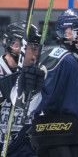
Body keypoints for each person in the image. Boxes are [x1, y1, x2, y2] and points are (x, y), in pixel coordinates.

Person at [27, 8, 78, 157]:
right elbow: (37, 102)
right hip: (64, 144)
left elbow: (73, 102)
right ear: (69, 33)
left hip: (77, 142)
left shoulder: (74, 62)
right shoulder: (62, 58)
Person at [0, 21, 42, 156]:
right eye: (30, 47)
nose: (34, 54)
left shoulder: (37, 75)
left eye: (36, 48)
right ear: (10, 44)